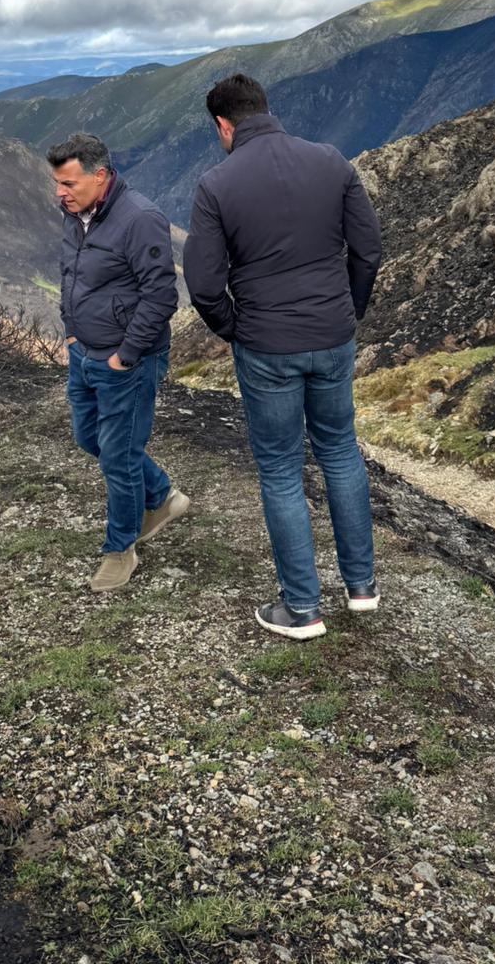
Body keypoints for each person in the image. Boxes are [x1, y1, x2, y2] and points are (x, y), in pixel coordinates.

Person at [183, 75, 383, 639]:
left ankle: (302, 609)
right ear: (266, 110)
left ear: (223, 125)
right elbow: (367, 250)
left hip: (267, 344)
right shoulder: (331, 162)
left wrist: (236, 330)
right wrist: (349, 312)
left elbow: (201, 284)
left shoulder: (216, 184)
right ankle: (361, 587)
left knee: (279, 468)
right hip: (332, 335)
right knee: (340, 451)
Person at [48, 133, 187, 591]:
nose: (60, 192)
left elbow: (161, 295)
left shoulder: (140, 219)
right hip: (82, 352)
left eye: (69, 183)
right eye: (57, 183)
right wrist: (71, 329)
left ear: (101, 175)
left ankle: (120, 549)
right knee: (89, 437)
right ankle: (162, 495)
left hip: (124, 362)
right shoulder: (76, 216)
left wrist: (125, 357)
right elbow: (73, 275)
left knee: (119, 456)